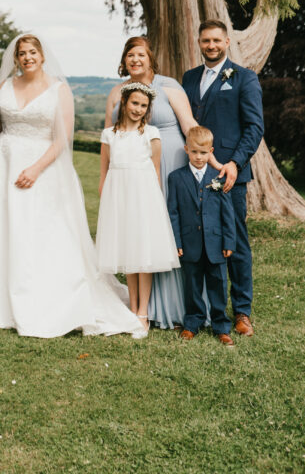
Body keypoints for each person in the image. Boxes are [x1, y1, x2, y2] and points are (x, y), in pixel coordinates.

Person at [0, 34, 143, 339]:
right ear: (16, 58)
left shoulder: (58, 89)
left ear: (42, 56)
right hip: (5, 163)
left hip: (42, 166)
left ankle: (45, 297)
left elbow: (62, 137)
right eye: (22, 53)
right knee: (6, 227)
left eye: (32, 52)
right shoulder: (3, 86)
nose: (27, 57)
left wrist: (36, 168)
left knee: (41, 231)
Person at [105, 35, 214, 329]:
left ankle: (182, 307)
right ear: (124, 61)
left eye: (141, 55)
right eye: (130, 56)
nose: (135, 60)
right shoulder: (116, 92)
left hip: (169, 162)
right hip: (130, 172)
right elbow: (109, 135)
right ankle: (143, 308)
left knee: (171, 230)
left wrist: (213, 161)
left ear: (151, 58)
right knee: (139, 233)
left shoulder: (168, 86)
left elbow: (189, 125)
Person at [182, 20, 264, 336]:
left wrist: (234, 164)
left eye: (216, 40)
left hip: (229, 176)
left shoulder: (243, 78)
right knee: (198, 241)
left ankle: (241, 312)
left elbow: (254, 127)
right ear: (199, 42)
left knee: (235, 242)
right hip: (194, 174)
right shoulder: (189, 79)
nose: (211, 45)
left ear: (227, 42)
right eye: (206, 40)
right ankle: (198, 311)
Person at [96, 83, 181, 334]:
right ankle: (132, 308)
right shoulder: (109, 134)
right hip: (118, 196)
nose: (138, 109)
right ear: (124, 103)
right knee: (128, 253)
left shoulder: (151, 133)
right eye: (135, 103)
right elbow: (104, 171)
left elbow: (155, 170)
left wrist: (154, 202)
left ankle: (143, 311)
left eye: (143, 106)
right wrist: (106, 198)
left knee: (143, 254)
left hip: (143, 197)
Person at [167, 126, 237, 346]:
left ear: (211, 151)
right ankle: (192, 323)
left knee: (218, 284)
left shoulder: (218, 177)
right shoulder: (176, 178)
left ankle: (221, 325)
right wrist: (176, 242)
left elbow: (227, 212)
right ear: (186, 149)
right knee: (192, 285)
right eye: (195, 152)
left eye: (204, 153)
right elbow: (174, 212)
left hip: (216, 242)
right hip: (190, 243)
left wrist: (229, 241)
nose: (199, 157)